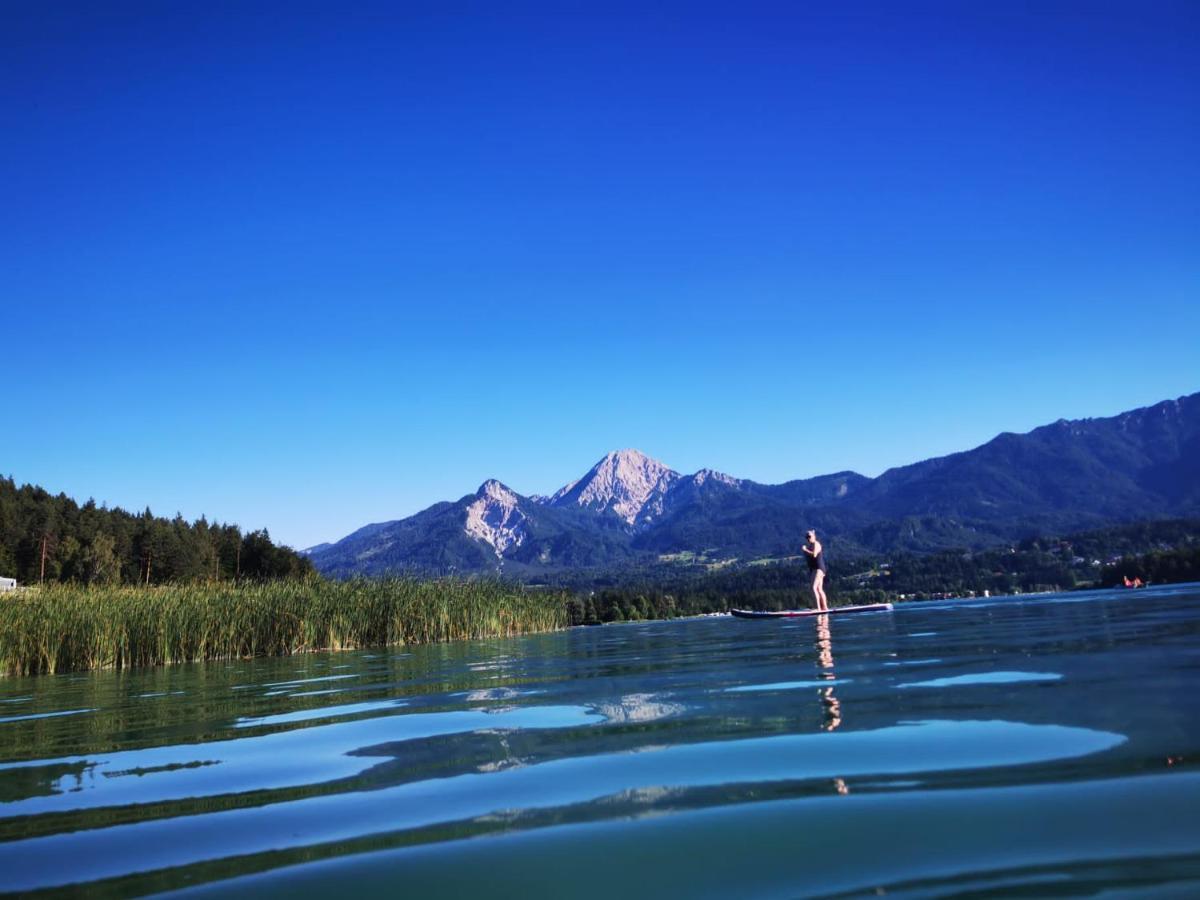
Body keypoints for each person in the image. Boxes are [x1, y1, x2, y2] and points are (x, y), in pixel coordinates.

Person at [803, 528, 828, 611]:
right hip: (816, 569)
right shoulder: (810, 546)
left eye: (809, 536)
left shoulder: (816, 544)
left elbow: (814, 555)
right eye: (807, 537)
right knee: (819, 589)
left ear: (814, 536)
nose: (808, 538)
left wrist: (805, 550)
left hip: (818, 569)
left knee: (813, 588)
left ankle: (818, 608)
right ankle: (824, 608)